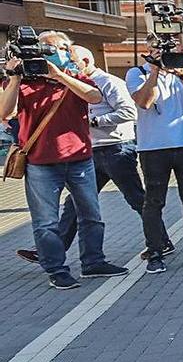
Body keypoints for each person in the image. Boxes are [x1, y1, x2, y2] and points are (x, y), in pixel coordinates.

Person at [0, 47, 127, 289]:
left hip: (80, 157)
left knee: (91, 215)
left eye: (60, 50)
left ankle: (93, 263)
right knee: (46, 221)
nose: (55, 55)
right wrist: (14, 77)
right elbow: (5, 112)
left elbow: (94, 97)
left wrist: (59, 75)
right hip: (41, 163)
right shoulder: (23, 83)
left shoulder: (73, 77)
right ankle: (56, 270)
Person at [127, 37, 183, 274]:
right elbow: (144, 103)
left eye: (170, 48)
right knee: (154, 201)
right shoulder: (137, 73)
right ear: (148, 51)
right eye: (158, 49)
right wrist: (155, 71)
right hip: (153, 148)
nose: (165, 53)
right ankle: (155, 252)